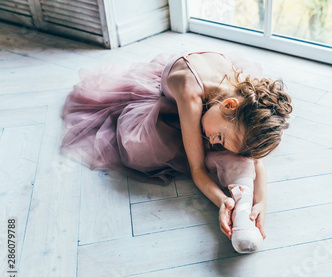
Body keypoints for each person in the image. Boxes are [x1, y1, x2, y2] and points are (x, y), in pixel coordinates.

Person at [61, 51, 292, 253]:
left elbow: (255, 161)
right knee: (142, 151)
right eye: (220, 138)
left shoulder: (238, 107)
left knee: (239, 151)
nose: (213, 142)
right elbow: (197, 169)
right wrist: (221, 201)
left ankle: (244, 202)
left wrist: (262, 202)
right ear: (229, 105)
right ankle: (237, 198)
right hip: (178, 96)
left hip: (210, 100)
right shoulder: (190, 94)